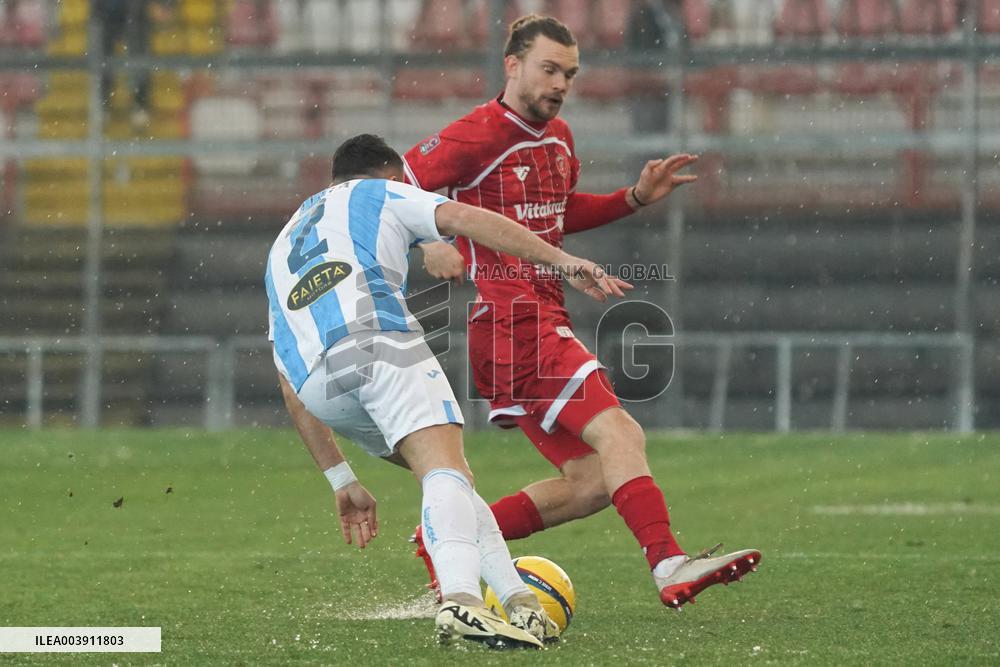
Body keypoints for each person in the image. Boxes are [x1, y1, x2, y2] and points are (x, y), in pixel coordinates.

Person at [404, 15, 760, 610]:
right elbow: (394, 186)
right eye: (548, 69)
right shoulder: (476, 134)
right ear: (512, 64)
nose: (560, 83)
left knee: (593, 481)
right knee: (622, 432)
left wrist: (635, 198)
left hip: (535, 321)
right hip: (513, 320)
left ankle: (446, 538)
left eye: (569, 73)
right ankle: (669, 563)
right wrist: (427, 241)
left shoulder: (560, 137)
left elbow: (559, 212)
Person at [266, 134, 628, 647]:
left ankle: (519, 603)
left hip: (318, 385)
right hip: (378, 342)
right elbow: (465, 219)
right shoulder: (380, 191)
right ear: (391, 176)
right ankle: (461, 601)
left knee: (450, 481)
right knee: (445, 472)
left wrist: (340, 476)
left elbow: (284, 373)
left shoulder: (284, 243)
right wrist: (562, 261)